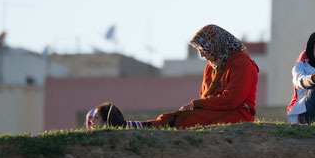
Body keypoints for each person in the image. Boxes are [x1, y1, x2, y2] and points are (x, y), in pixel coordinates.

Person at [86, 24, 259, 129]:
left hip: (237, 113)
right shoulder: (211, 67)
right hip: (216, 110)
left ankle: (133, 127)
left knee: (184, 120)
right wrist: (198, 106)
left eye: (204, 50)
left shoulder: (242, 63)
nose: (203, 55)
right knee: (176, 117)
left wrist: (197, 105)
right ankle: (132, 126)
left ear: (216, 46)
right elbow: (207, 97)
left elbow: (232, 99)